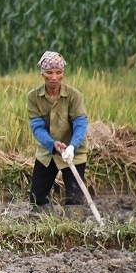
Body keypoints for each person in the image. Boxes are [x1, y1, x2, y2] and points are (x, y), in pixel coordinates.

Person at [25, 51, 88, 211]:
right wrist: (52, 144)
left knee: (74, 202)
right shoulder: (33, 97)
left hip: (73, 151)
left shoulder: (74, 96)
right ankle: (47, 228)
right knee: (36, 200)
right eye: (49, 72)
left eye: (58, 73)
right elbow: (37, 128)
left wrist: (72, 146)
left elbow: (80, 124)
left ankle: (70, 230)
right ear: (42, 73)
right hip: (48, 151)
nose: (54, 77)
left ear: (63, 74)